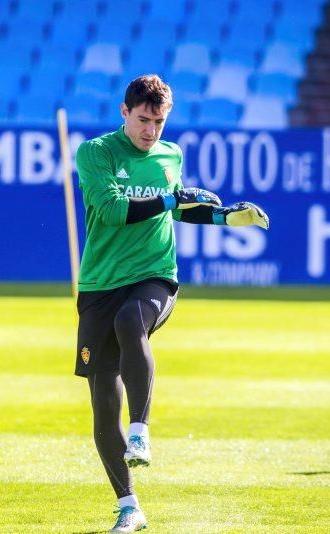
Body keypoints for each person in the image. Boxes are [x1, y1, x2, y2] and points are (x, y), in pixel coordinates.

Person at [73, 74, 269, 533]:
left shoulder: (170, 154)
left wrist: (224, 217)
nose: (151, 132)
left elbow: (178, 207)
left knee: (131, 321)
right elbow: (116, 211)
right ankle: (129, 507)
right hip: (100, 283)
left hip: (155, 275)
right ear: (125, 112)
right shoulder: (95, 153)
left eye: (159, 122)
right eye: (143, 120)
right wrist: (170, 198)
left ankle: (140, 429)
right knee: (103, 407)